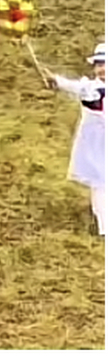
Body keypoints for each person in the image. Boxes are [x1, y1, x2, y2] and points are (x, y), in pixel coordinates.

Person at [43, 43, 106, 235]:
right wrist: (56, 80)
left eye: (105, 63)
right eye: (98, 64)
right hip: (95, 142)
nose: (102, 68)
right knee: (101, 181)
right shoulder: (90, 87)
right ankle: (104, 225)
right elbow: (74, 87)